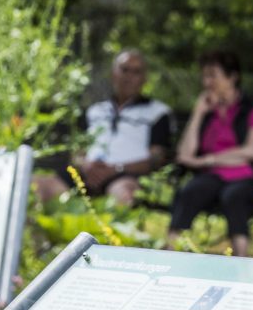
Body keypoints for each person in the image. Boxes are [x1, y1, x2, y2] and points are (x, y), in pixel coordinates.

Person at [167, 50, 253, 257]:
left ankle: (240, 259)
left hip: (248, 174)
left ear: (232, 77)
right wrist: (198, 113)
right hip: (214, 175)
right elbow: (185, 154)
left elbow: (252, 151)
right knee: (190, 190)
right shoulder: (209, 111)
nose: (207, 82)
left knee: (233, 196)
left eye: (213, 76)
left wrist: (206, 160)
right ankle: (170, 252)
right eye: (204, 76)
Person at [35, 50, 174, 207]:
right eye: (124, 70)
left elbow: (156, 159)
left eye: (136, 72)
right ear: (113, 74)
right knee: (36, 185)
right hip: (85, 174)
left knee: (125, 195)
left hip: (124, 177)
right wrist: (86, 165)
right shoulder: (95, 110)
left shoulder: (158, 113)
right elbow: (77, 152)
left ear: (144, 78)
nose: (129, 77)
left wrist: (116, 169)